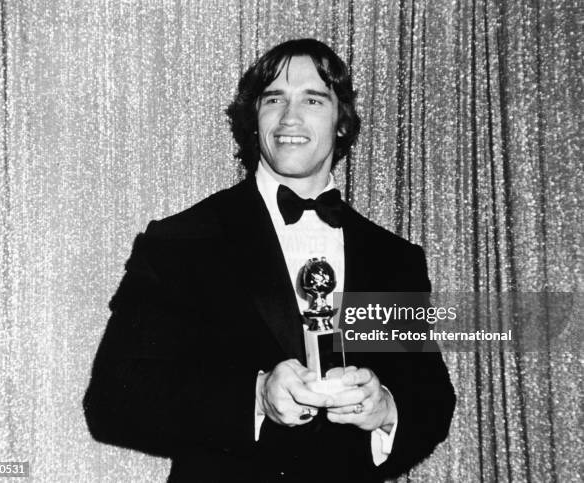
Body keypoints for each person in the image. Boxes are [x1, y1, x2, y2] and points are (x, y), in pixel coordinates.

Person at [83, 38, 455, 482]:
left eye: (313, 99)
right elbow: (112, 401)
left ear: (342, 120)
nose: (290, 117)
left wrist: (385, 410)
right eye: (274, 98)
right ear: (253, 118)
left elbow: (432, 401)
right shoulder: (181, 240)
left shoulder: (394, 257)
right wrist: (256, 397)